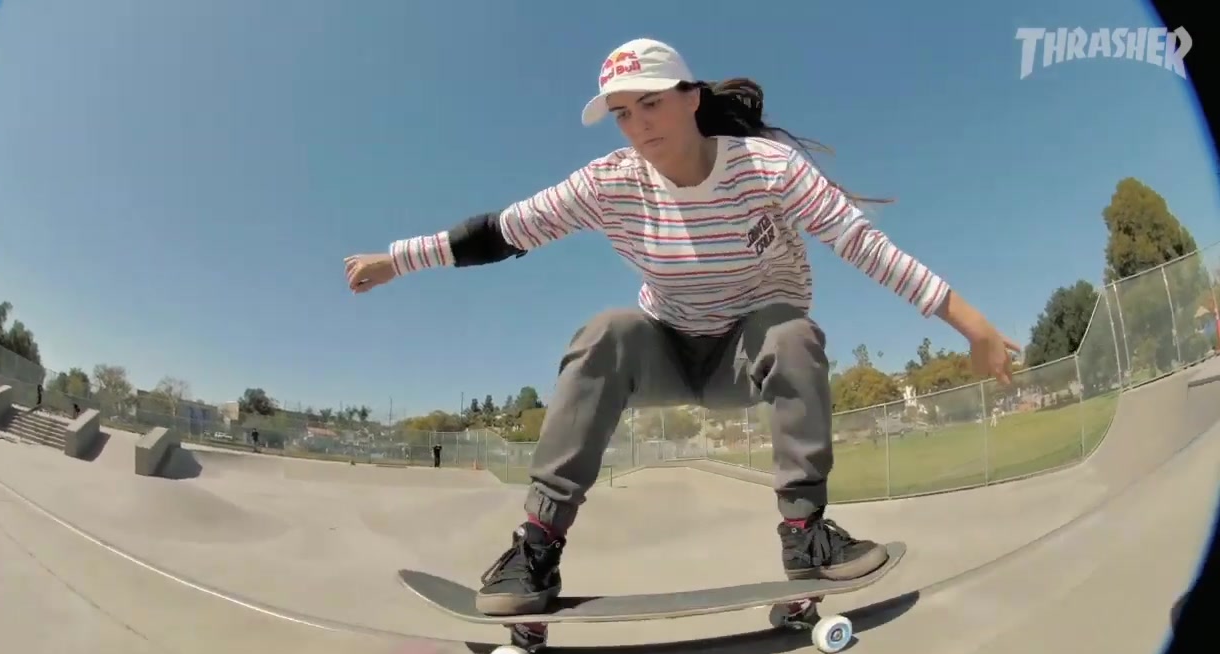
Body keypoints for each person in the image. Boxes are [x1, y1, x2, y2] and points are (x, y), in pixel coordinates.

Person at [344, 38, 1019, 617]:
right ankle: (536, 549)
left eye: (651, 104)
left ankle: (805, 533)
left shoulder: (769, 171)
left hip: (748, 357)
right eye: (621, 115)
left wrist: (973, 326)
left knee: (791, 332)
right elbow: (502, 232)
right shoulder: (608, 183)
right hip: (664, 350)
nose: (638, 126)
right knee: (605, 329)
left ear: (691, 97)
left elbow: (865, 245)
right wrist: (398, 260)